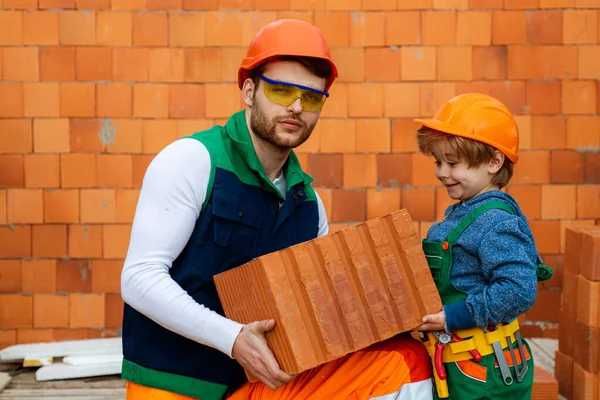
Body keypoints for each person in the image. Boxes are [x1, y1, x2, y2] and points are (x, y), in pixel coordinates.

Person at [120, 19, 433, 400]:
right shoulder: (193, 160)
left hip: (258, 387)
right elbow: (138, 278)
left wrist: (391, 315)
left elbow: (313, 320)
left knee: (406, 361)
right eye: (282, 91)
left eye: (312, 98)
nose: (297, 107)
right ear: (249, 91)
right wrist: (233, 338)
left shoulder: (309, 206)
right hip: (174, 386)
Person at [412, 93, 552, 399]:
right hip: (461, 365)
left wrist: (453, 317)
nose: (441, 172)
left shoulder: (496, 222)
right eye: (438, 161)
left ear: (493, 161)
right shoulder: (466, 211)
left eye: (452, 162)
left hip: (485, 374)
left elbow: (518, 289)